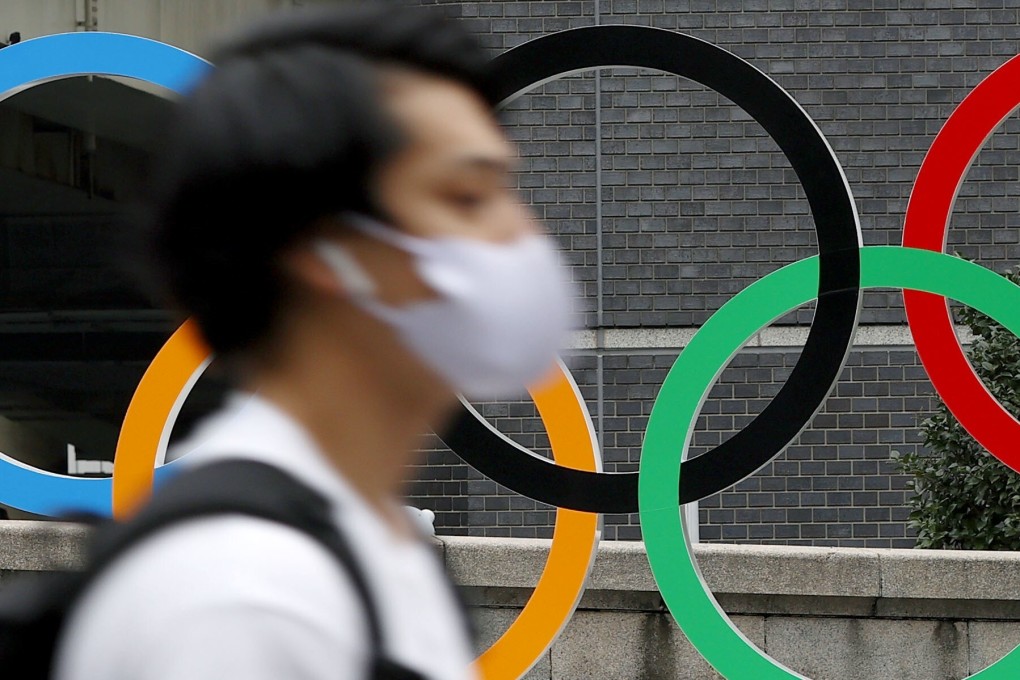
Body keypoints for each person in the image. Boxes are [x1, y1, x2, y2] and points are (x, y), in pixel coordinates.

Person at [52, 4, 572, 679]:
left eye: (509, 189)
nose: (520, 234)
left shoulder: (367, 547)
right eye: (467, 197)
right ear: (324, 246)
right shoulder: (242, 595)